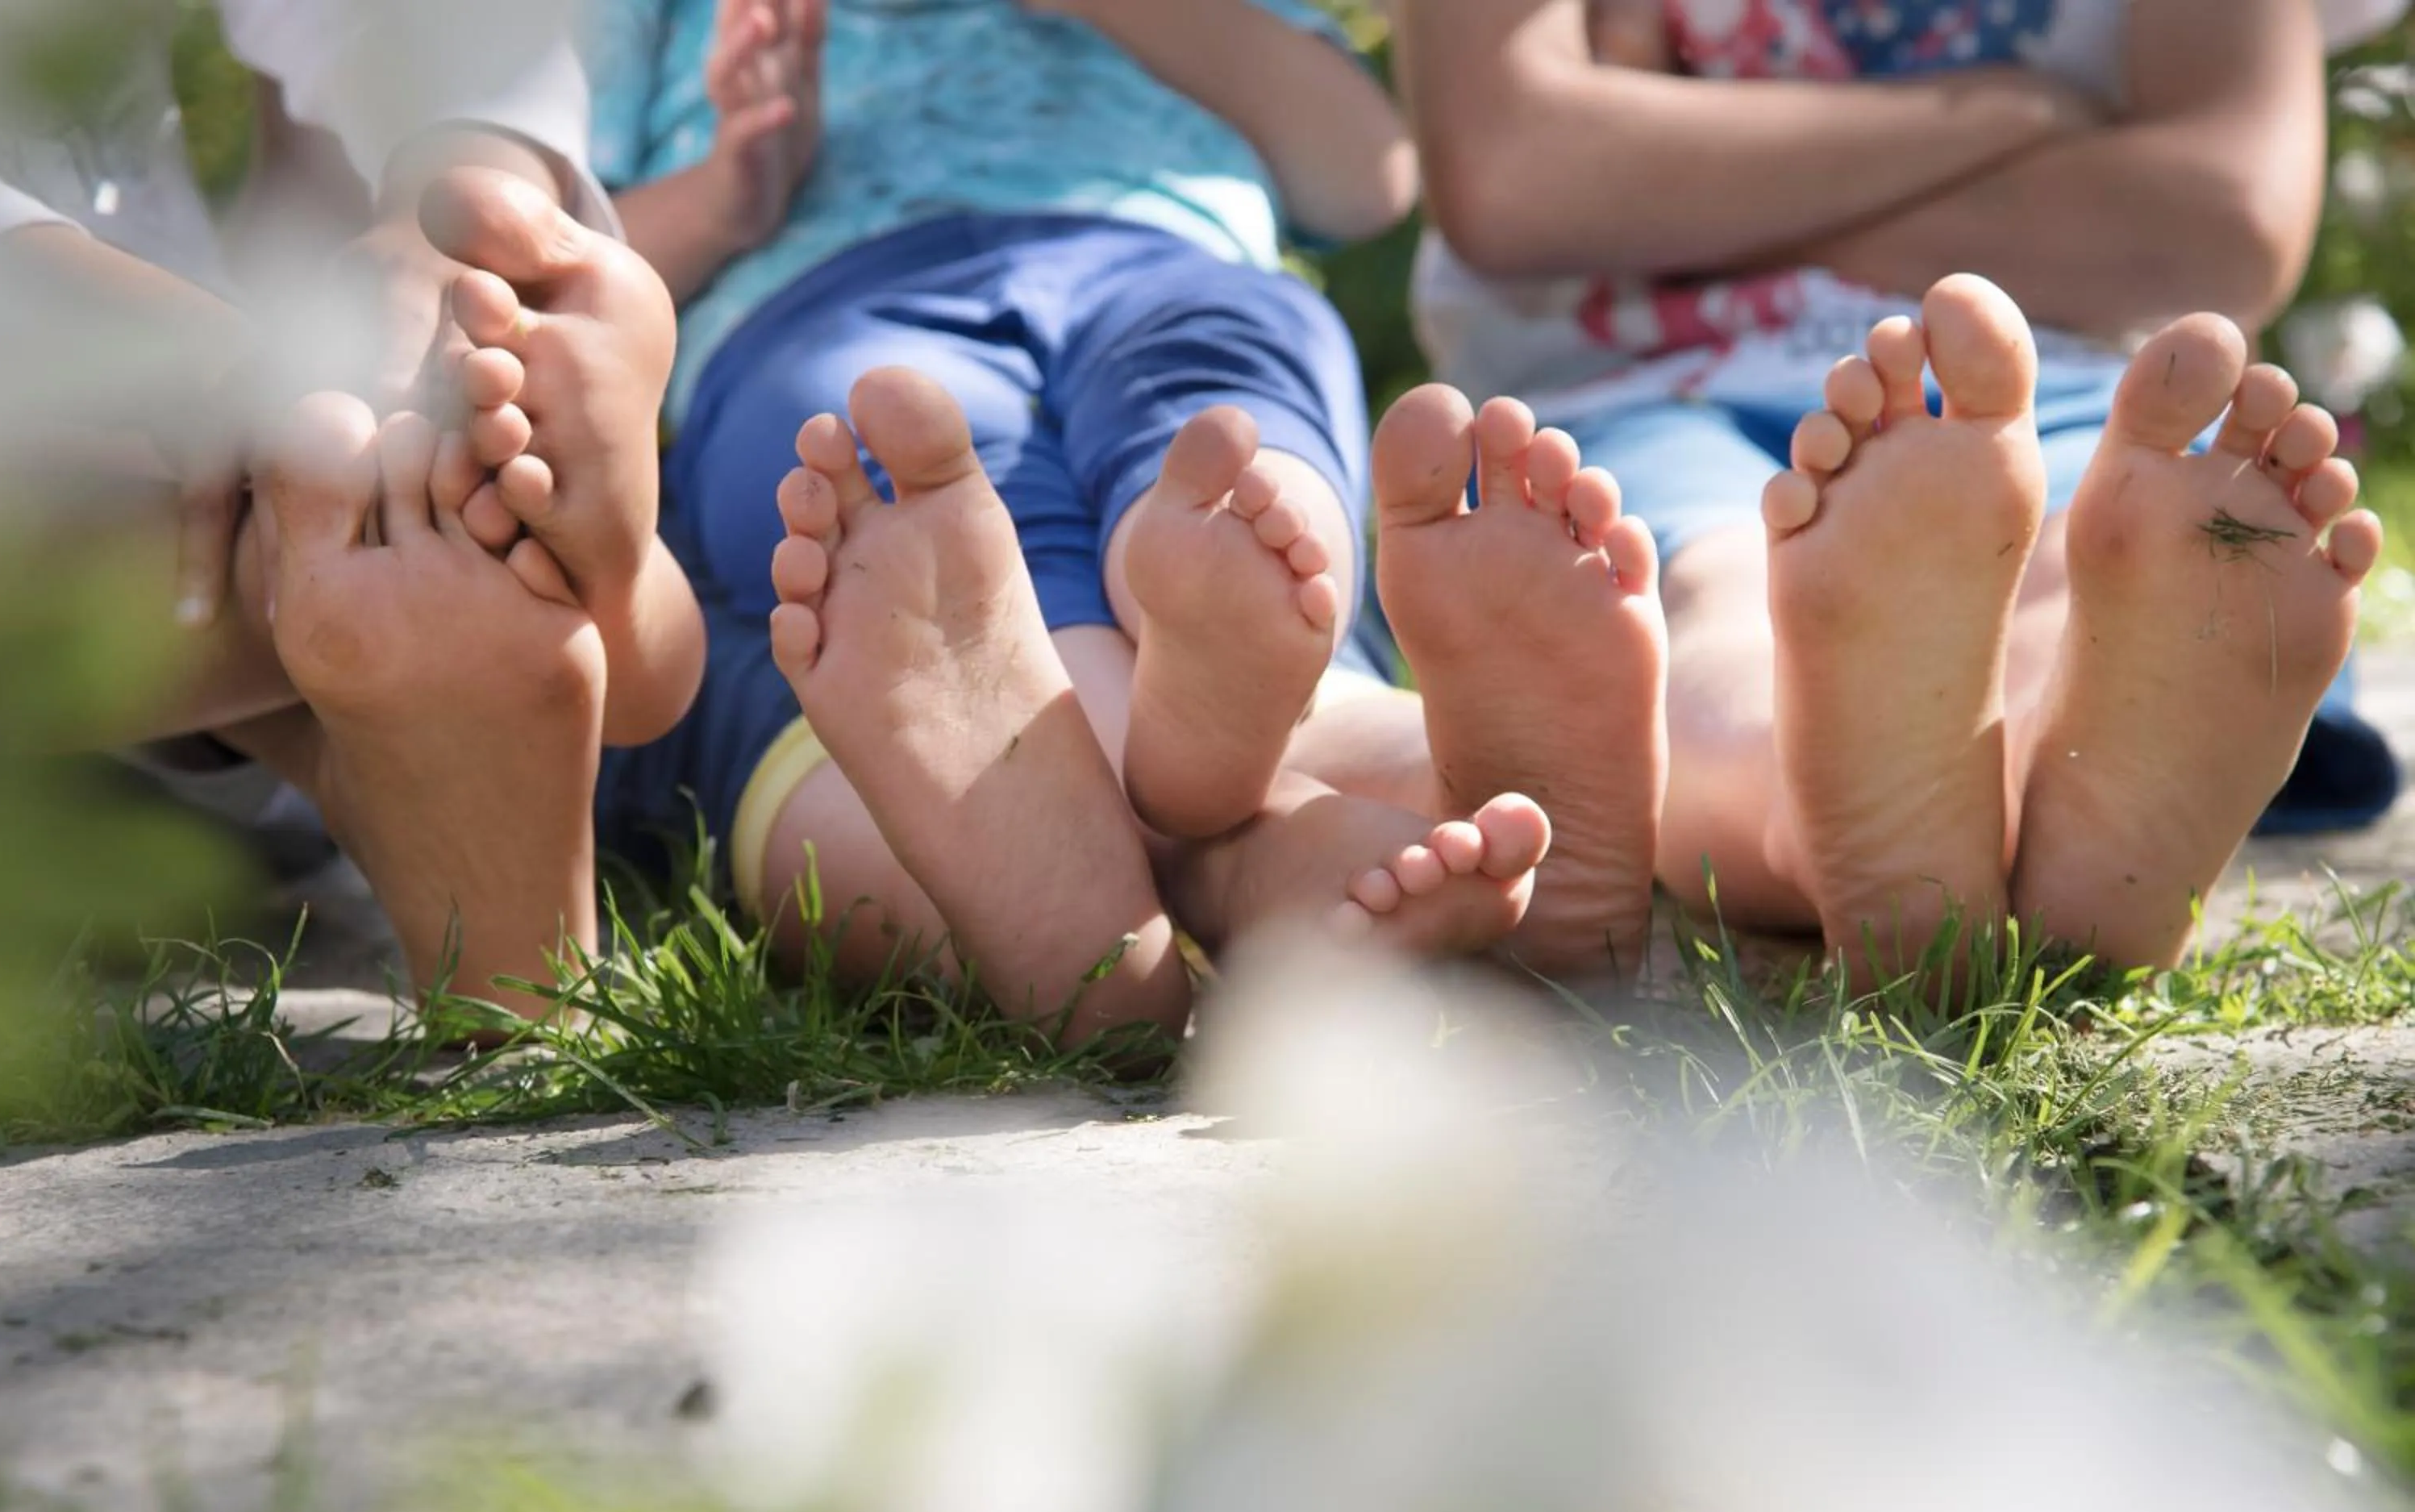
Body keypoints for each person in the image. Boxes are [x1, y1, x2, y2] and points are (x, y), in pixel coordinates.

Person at [582, 0, 1667, 1040]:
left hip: (1162, 262)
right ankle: (1368, 822)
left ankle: (1193, 662)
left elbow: (1367, 172)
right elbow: (578, 270)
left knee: (1224, 430)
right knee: (921, 502)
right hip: (821, 300)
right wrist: (727, 194)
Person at [1391, 0, 2389, 981]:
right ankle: (2047, 828)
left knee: (1707, 608)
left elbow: (2220, 221)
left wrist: (1692, 192)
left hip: (2006, 388)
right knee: (1721, 595)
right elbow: (1521, 173)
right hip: (1687, 385)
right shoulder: (2021, 110)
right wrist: (2013, 109)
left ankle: (1864, 814)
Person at [0, 2, 705, 1020]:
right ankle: (522, 568)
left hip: (174, 523)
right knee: (351, 514)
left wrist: (441, 211)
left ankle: (422, 569)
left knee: (338, 513)